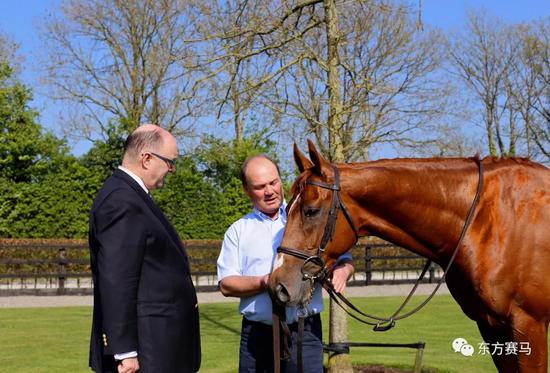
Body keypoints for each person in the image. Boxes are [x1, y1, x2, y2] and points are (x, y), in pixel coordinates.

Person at [217, 155, 354, 373]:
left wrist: (343, 270)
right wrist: (266, 281)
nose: (269, 191)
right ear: (246, 190)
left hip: (304, 332)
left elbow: (343, 256)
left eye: (273, 182)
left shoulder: (308, 216)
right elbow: (226, 284)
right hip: (257, 336)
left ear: (281, 181)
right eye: (260, 186)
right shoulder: (238, 231)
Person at [88, 124, 201, 373]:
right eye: (170, 162)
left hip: (159, 347)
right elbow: (117, 279)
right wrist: (125, 351)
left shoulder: (132, 196)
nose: (171, 169)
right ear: (147, 158)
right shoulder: (122, 200)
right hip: (147, 352)